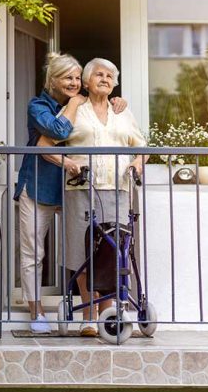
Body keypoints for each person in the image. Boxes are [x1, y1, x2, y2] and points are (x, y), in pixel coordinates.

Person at [14, 53, 127, 334]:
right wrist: (76, 102)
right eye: (68, 78)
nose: (74, 83)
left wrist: (116, 103)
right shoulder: (39, 105)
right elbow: (56, 130)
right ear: (52, 80)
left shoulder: (84, 107)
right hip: (39, 186)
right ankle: (36, 311)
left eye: (77, 78)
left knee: (85, 249)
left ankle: (92, 313)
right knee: (34, 253)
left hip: (74, 191)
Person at [38, 57, 147, 336]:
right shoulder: (73, 109)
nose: (105, 79)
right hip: (82, 189)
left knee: (112, 252)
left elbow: (141, 145)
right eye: (99, 74)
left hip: (118, 189)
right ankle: (88, 316)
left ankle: (107, 314)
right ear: (86, 81)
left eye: (110, 76)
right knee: (83, 252)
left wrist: (137, 163)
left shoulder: (122, 111)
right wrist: (69, 164)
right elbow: (44, 145)